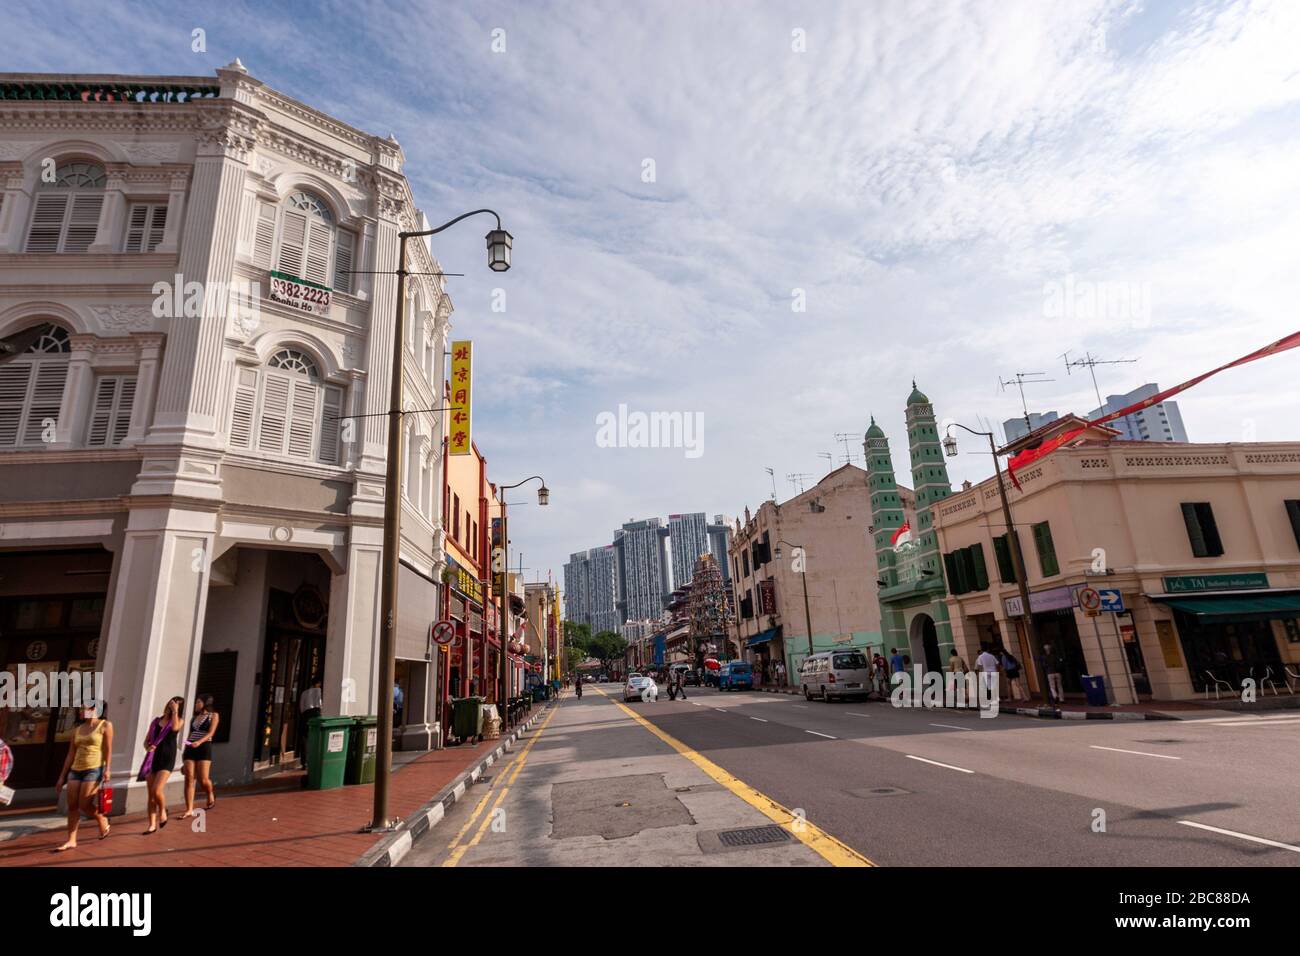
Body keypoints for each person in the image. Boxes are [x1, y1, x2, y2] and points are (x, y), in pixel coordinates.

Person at [53, 702, 112, 851]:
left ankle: (101, 818)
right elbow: (70, 754)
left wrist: (107, 769)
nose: (80, 711)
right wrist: (62, 776)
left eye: (83, 709)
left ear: (93, 710)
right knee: (72, 805)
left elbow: (108, 749)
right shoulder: (77, 730)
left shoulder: (105, 726)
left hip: (94, 769)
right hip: (75, 770)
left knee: (84, 805)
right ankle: (71, 840)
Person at [139, 696, 184, 835]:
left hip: (167, 758)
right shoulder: (156, 721)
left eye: (176, 704)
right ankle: (152, 825)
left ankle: (163, 811)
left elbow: (175, 728)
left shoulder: (178, 720)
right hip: (153, 758)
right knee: (151, 795)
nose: (172, 705)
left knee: (157, 790)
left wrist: (175, 712)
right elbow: (146, 741)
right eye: (172, 702)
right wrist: (148, 747)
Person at [182, 694, 219, 818]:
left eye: (198, 702)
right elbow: (190, 734)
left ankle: (209, 793)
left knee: (203, 779)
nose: (196, 704)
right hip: (190, 749)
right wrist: (185, 747)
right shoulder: (194, 718)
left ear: (205, 703)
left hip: (204, 748)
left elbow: (211, 733)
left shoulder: (213, 716)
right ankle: (189, 809)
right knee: (189, 778)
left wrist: (199, 742)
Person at [298, 679, 323, 775]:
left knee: (305, 739)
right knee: (315, 739)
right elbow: (321, 705)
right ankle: (314, 759)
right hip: (316, 714)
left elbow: (301, 707)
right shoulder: (319, 691)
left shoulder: (304, 693)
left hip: (305, 716)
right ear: (317, 684)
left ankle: (304, 762)